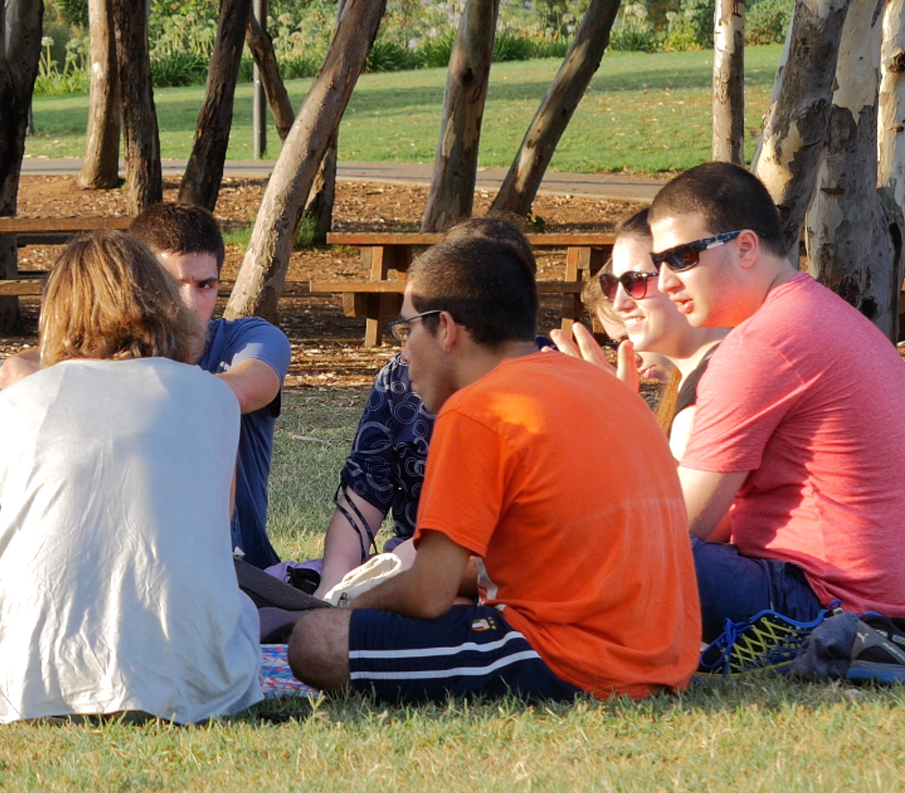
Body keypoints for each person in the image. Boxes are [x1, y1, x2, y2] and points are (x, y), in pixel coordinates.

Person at [288, 221, 701, 702]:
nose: (403, 352)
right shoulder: (602, 387)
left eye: (406, 329)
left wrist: (351, 605)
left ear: (445, 328)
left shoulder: (477, 409)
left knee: (315, 641)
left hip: (577, 661)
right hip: (667, 656)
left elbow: (428, 593)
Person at [0, 230, 264, 723]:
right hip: (200, 682)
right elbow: (206, 542)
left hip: (33, 687)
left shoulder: (13, 407)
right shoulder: (215, 400)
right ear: (162, 302)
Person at [648, 161, 905, 635]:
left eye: (682, 257)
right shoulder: (823, 316)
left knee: (630, 554)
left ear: (745, 247)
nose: (664, 282)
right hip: (873, 601)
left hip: (829, 605)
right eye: (657, 263)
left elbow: (681, 525)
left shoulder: (762, 345)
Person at [0, 202, 292, 568]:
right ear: (139, 285)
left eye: (206, 285)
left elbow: (242, 390)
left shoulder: (251, 338)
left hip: (240, 568)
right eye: (171, 284)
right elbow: (14, 371)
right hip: (117, 562)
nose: (190, 303)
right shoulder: (112, 350)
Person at [310, 219, 546, 599]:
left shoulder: (548, 381)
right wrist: (333, 589)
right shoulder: (402, 378)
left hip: (489, 581)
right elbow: (366, 488)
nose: (406, 349)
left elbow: (437, 586)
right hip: (418, 565)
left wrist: (363, 600)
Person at [550, 208, 726, 459]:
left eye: (636, 280)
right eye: (611, 285)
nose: (619, 303)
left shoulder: (708, 396)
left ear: (682, 276)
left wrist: (619, 415)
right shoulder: (701, 379)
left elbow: (665, 497)